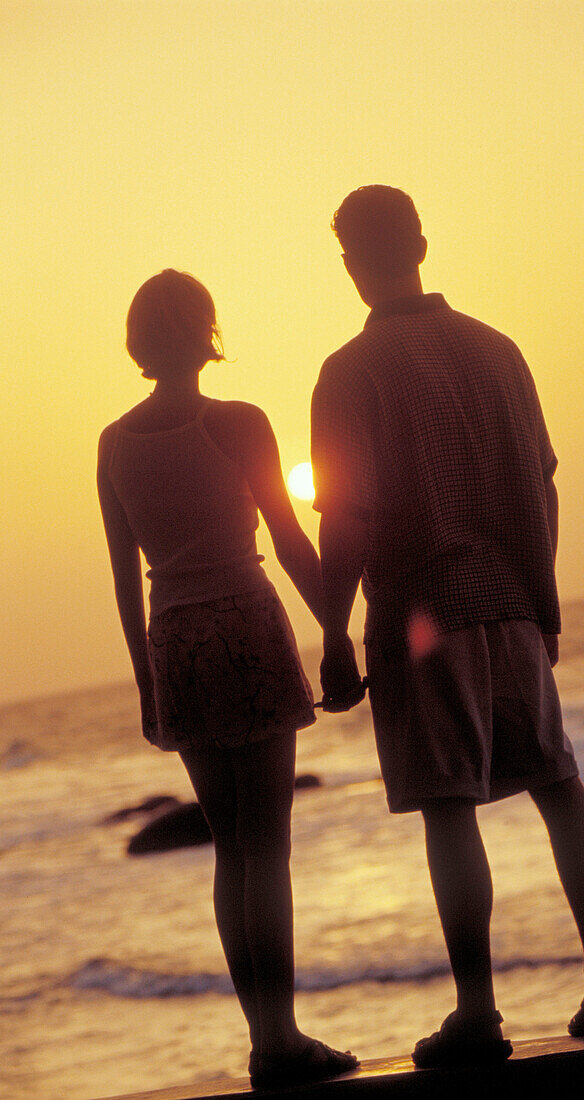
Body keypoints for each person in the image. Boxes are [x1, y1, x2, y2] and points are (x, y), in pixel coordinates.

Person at [311, 186, 584, 1069]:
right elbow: (541, 481)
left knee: (448, 806)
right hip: (512, 602)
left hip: (423, 612)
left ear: (349, 263)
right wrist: (544, 599)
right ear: (420, 241)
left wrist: (335, 629)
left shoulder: (350, 373)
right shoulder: (498, 351)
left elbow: (349, 512)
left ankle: (477, 1010)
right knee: (557, 784)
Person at [97, 270, 357, 1090]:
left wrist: (145, 681)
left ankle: (264, 1038)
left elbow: (119, 575)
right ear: (205, 332)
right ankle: (282, 1040)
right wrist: (338, 631)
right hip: (244, 623)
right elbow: (286, 539)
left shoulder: (113, 442)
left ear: (140, 339)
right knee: (266, 849)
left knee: (227, 851)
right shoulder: (237, 421)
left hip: (173, 638)